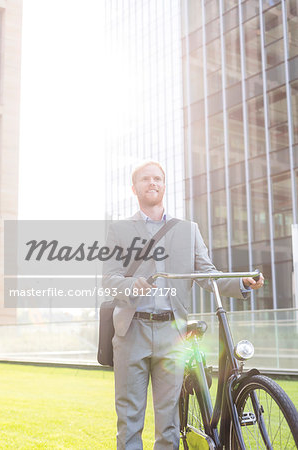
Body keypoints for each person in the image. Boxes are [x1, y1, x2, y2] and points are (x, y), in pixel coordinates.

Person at [103, 160, 264, 450]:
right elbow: (110, 279)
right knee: (129, 420)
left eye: (158, 179)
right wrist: (131, 285)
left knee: (168, 424)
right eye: (145, 179)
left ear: (164, 185)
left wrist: (241, 283)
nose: (152, 183)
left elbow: (207, 274)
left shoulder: (188, 229)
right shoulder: (119, 229)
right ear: (134, 188)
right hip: (131, 331)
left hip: (172, 332)